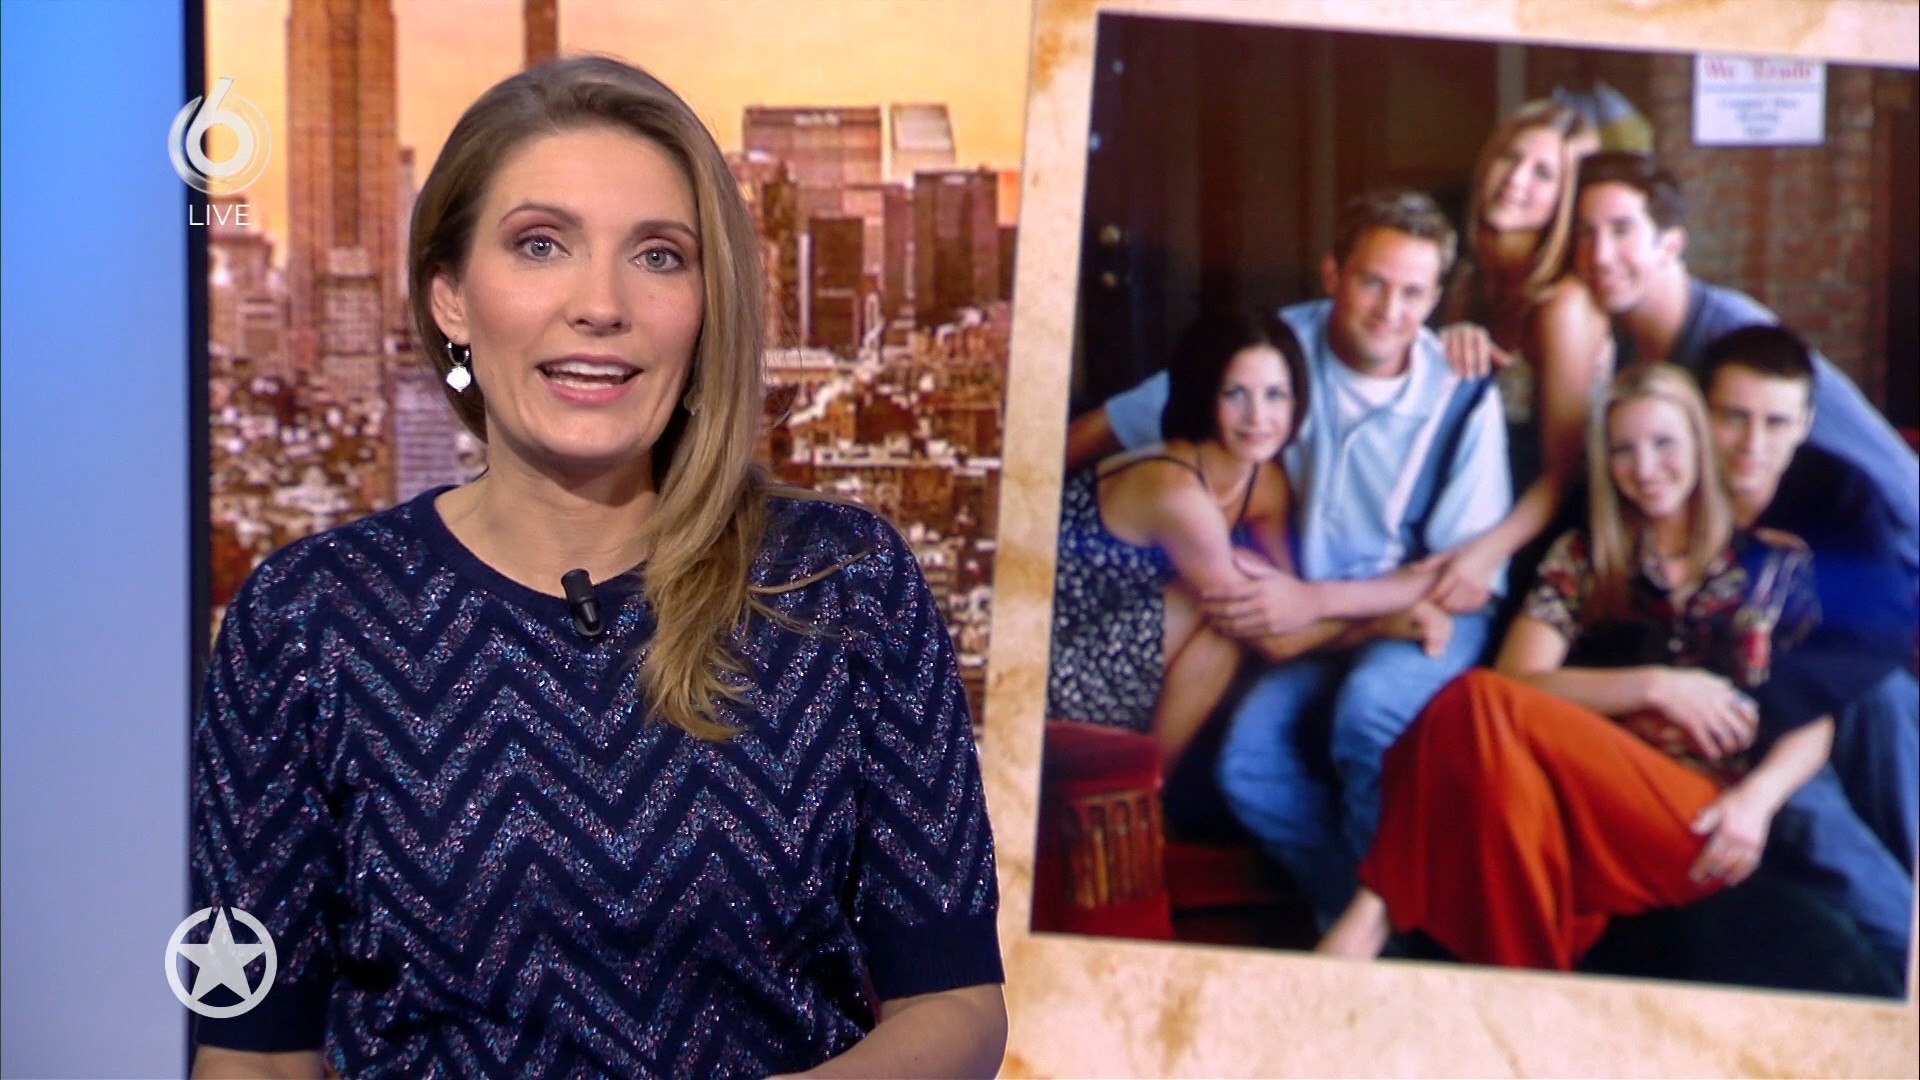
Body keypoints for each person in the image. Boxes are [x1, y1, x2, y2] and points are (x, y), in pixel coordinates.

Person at [188, 57, 1004, 1080]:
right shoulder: (308, 618)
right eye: (541, 245)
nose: (602, 304)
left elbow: (956, 1005)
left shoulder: (842, 584)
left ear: (707, 305)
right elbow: (253, 1057)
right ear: (450, 296)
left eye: (659, 257)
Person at [1321, 364, 1832, 974]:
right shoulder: (1586, 556)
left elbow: (1817, 719)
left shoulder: (1775, 562)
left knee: (1472, 703)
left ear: (1699, 442)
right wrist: (1654, 687)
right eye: (1623, 450)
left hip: (1700, 814)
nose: (1645, 468)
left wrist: (1757, 803)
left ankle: (1372, 910)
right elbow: (1518, 682)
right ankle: (1530, 989)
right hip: (1584, 799)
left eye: (1664, 443)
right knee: (1497, 777)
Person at [1206, 191, 1513, 926]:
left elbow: (1459, 573)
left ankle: (1376, 936)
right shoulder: (1277, 350)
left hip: (1432, 605)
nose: (1390, 310)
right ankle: (1370, 927)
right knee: (1246, 764)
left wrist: (1313, 604)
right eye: (1373, 282)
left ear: (1436, 298)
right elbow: (1161, 414)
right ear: (1332, 274)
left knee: (1370, 714)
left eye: (1413, 292)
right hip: (1323, 616)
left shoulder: (1462, 392)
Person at [1570, 150, 1920, 566]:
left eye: (1622, 230)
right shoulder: (1625, 345)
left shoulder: (1736, 335)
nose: (1600, 254)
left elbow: (1884, 470)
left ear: (1671, 244)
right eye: (1585, 233)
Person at [1700, 325, 1915, 981]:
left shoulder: (1833, 491)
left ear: (1805, 424)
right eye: (1733, 417)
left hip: (1798, 698)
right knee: (1812, 813)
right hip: (1719, 722)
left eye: (1776, 423)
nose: (1753, 444)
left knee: (1887, 699)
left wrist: (1774, 701)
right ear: (1700, 409)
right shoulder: (1672, 488)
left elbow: (1880, 625)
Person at [1046, 308, 1307, 771]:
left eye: (1275, 395)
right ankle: (1139, 786)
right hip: (1056, 671)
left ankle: (1145, 791)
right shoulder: (1177, 493)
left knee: (1237, 605)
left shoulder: (1265, 482)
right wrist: (1387, 616)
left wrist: (1310, 601)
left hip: (1129, 658)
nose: (1258, 417)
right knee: (1234, 606)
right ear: (1206, 395)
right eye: (1235, 394)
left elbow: (1293, 603)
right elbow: (1276, 638)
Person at [1426, 99, 1611, 612]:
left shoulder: (1564, 305)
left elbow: (1563, 476)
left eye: (1543, 173)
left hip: (1536, 540)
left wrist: (1482, 557)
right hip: (1465, 514)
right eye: (1510, 157)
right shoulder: (1469, 282)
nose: (1515, 179)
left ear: (1566, 198)